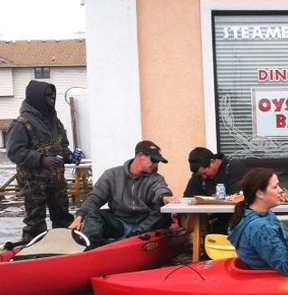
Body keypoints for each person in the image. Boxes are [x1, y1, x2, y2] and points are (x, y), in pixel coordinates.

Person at [69, 140, 178, 247]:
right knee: (94, 216)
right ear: (140, 156)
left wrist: (165, 197)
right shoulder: (112, 175)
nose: (156, 165)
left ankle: (127, 240)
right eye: (153, 160)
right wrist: (79, 217)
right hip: (120, 222)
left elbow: (160, 189)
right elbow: (95, 198)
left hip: (145, 225)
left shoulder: (155, 178)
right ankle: (86, 250)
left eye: (158, 162)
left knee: (163, 214)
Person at [5, 80, 75, 243]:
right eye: (48, 95)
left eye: (53, 95)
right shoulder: (20, 124)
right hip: (33, 183)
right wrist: (41, 160)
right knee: (35, 221)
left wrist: (70, 156)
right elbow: (14, 152)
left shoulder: (54, 121)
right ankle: (32, 252)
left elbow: (62, 145)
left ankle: (65, 248)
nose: (52, 98)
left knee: (63, 217)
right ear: (37, 97)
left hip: (57, 180)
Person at [183, 147, 247, 234]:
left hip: (236, 219)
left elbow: (238, 198)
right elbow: (187, 197)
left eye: (205, 173)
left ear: (212, 162)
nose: (204, 177)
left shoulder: (233, 167)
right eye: (200, 175)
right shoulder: (198, 176)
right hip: (212, 219)